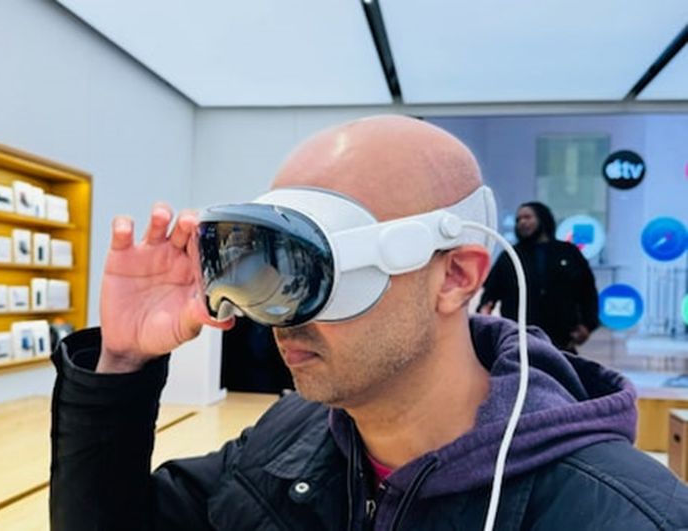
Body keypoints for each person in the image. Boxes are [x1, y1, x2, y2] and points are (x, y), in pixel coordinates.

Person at [50, 115, 688, 530]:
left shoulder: (623, 515)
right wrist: (122, 363)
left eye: (312, 273)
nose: (279, 319)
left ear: (456, 276)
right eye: (270, 268)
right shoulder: (290, 435)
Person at [478, 202, 600, 354]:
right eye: (518, 220)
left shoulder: (568, 252)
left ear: (542, 219)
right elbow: (490, 293)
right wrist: (484, 317)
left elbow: (588, 292)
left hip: (562, 342)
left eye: (527, 217)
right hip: (519, 343)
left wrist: (588, 325)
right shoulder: (510, 256)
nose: (522, 222)